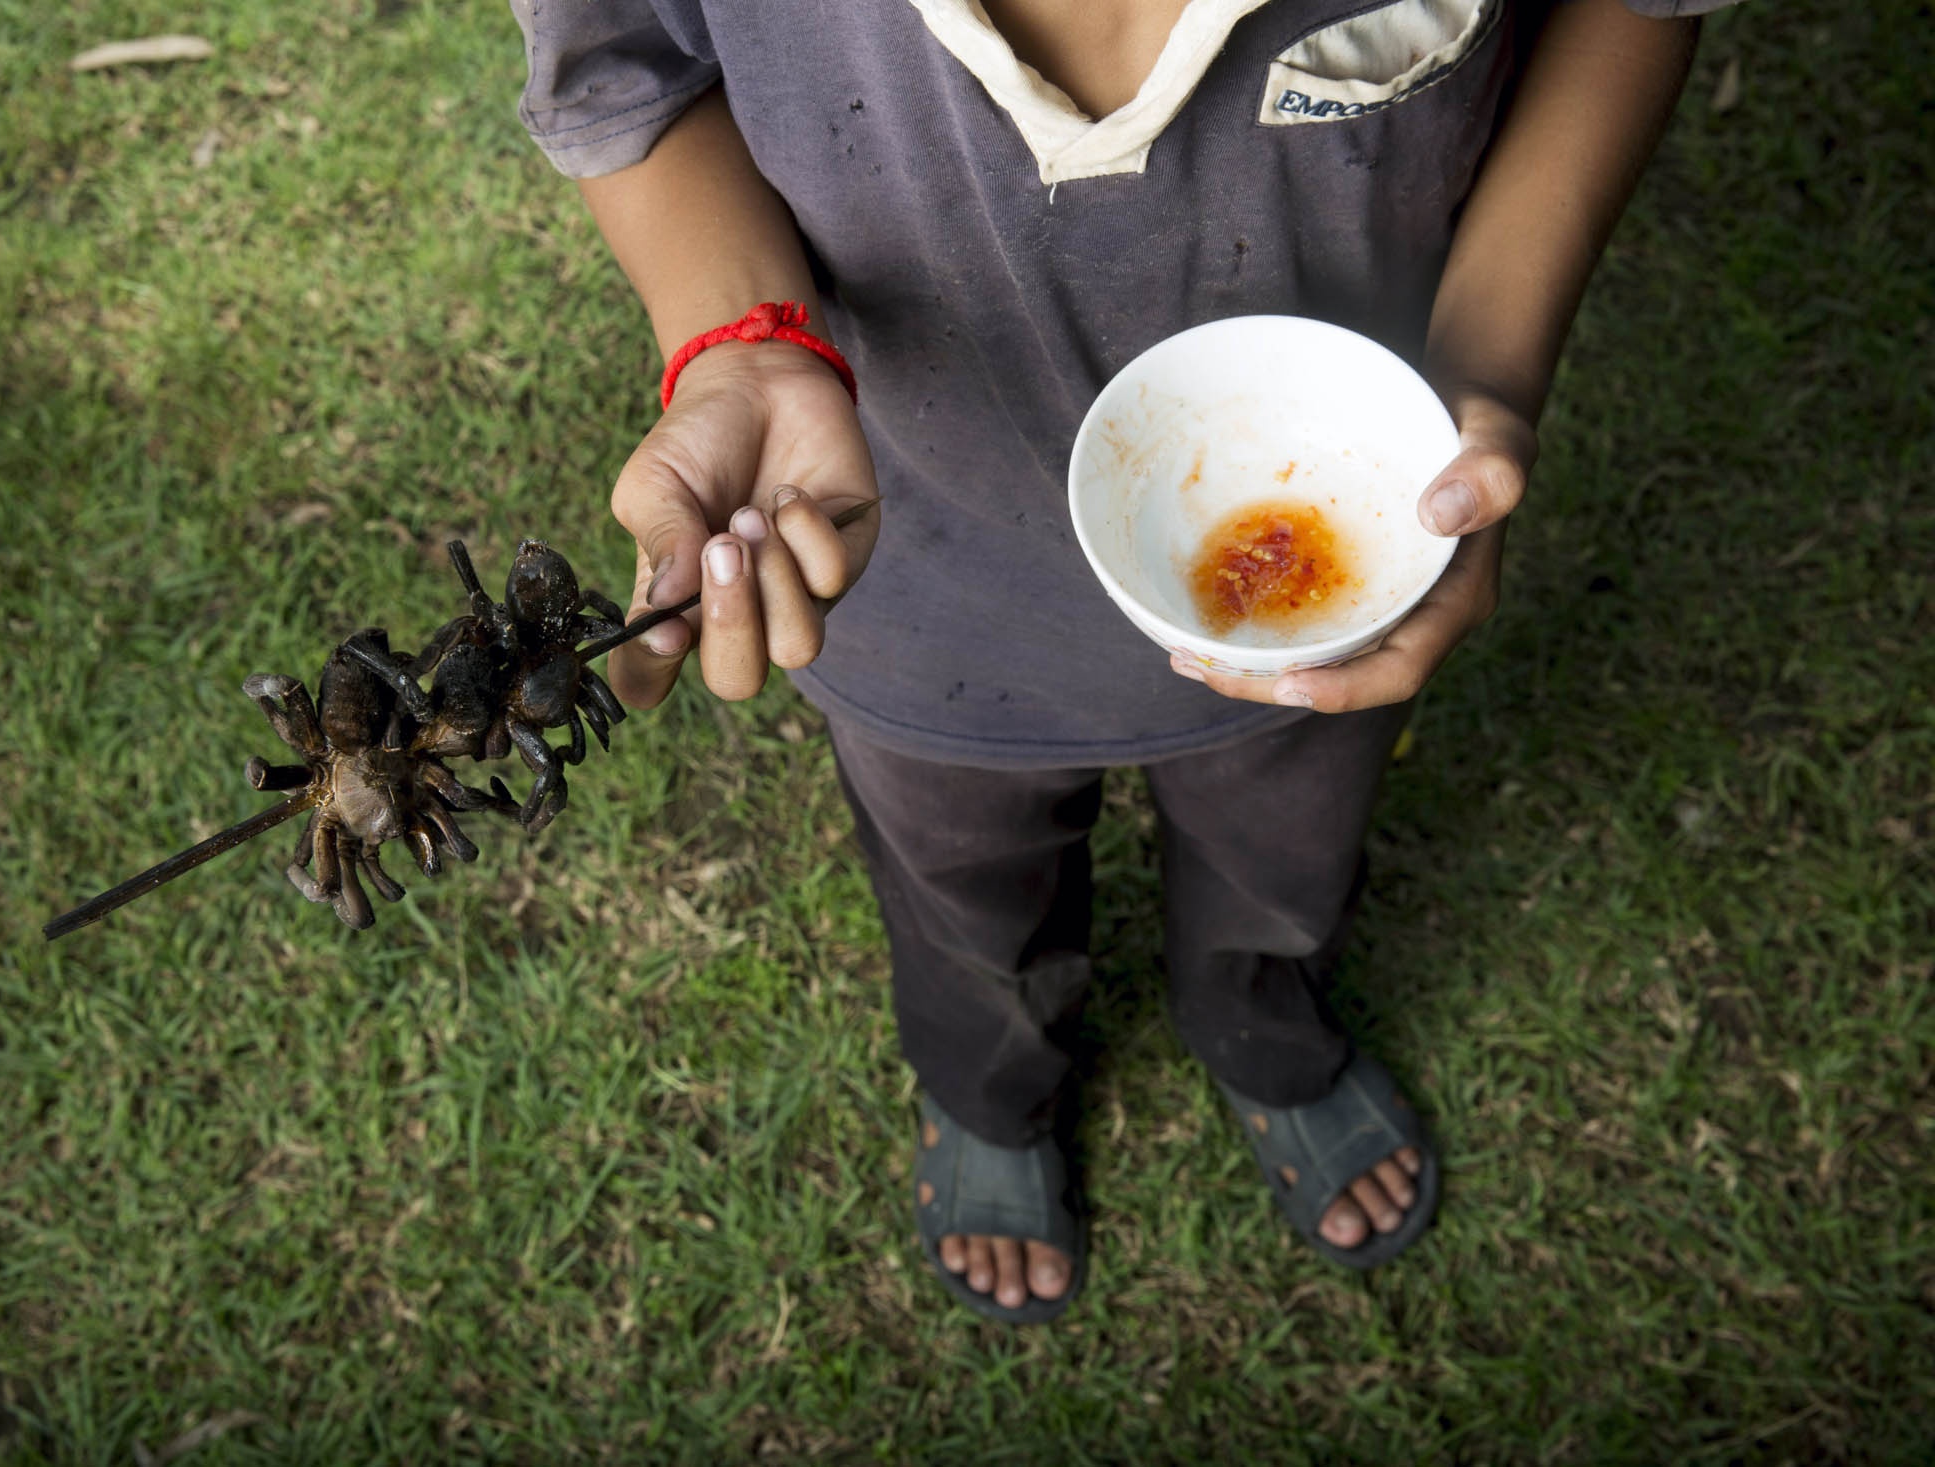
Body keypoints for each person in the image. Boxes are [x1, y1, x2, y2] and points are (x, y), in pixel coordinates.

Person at [506, 0, 1729, 1321]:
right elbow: (633, 72)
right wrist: (742, 344)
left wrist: (1480, 379)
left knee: (1287, 857)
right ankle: (992, 1081)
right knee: (963, 892)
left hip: (1350, 544)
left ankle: (1262, 1028)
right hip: (903, 552)